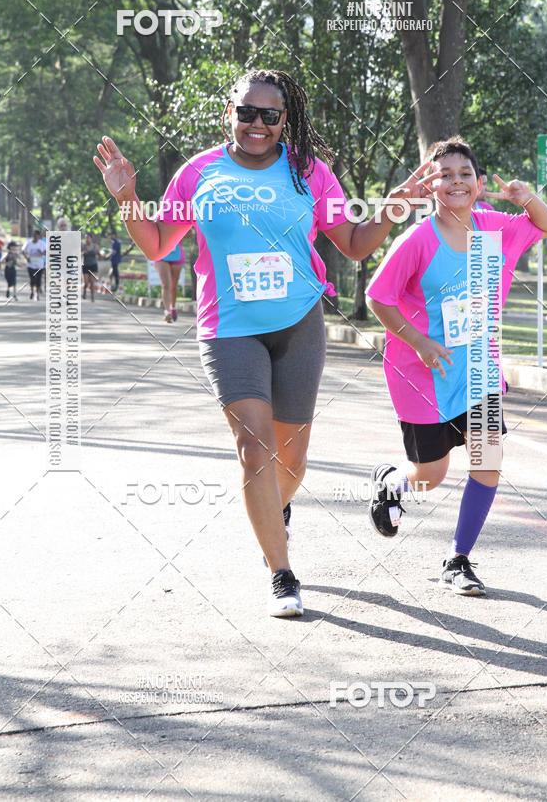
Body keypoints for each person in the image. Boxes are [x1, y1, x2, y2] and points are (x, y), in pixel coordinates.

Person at [94, 68, 438, 618]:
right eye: (245, 113)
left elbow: (350, 245)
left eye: (269, 115)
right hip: (229, 329)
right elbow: (158, 244)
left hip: (298, 323)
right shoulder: (199, 172)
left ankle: (273, 512)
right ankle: (281, 573)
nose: (256, 124)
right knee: (255, 448)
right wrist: (129, 197)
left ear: (285, 120)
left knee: (292, 458)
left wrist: (393, 206)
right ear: (228, 113)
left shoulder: (309, 172)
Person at [365, 136, 547, 596]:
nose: (455, 181)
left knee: (488, 459)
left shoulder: (496, 227)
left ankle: (459, 559)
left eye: (464, 174)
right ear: (431, 185)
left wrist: (525, 196)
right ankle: (392, 483)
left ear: (479, 183)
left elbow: (545, 224)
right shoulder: (417, 239)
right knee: (430, 477)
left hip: (479, 369)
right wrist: (420, 341)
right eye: (444, 174)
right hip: (421, 374)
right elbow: (377, 296)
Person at [155, 243, 185, 322]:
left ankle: (173, 307)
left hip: (176, 254)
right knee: (166, 285)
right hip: (161, 254)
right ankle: (167, 312)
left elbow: (189, 233)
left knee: (174, 285)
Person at [22, 229, 46, 301]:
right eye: (34, 235)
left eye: (36, 235)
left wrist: (41, 253)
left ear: (39, 236)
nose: (35, 237)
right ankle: (32, 291)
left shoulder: (42, 244)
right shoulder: (28, 243)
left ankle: (37, 294)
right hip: (30, 264)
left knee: (38, 279)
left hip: (39, 264)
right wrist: (27, 258)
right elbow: (23, 251)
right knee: (32, 279)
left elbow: (46, 252)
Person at [82, 233, 100, 301]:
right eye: (86, 238)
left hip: (93, 266)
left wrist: (106, 256)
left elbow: (99, 254)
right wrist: (82, 253)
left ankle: (92, 297)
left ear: (91, 238)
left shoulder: (96, 246)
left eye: (88, 238)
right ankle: (84, 292)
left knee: (92, 282)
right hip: (85, 266)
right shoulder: (83, 246)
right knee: (86, 283)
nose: (87, 239)